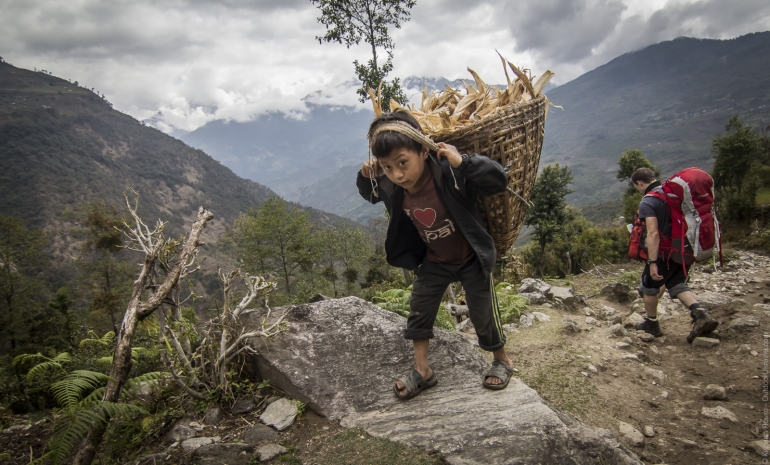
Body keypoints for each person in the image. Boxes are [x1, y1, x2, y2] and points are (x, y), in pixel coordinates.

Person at [357, 110, 514, 399]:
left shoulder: (448, 173)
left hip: (470, 257)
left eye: (402, 163)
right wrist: (367, 176)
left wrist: (463, 162)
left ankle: (501, 360)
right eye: (388, 167)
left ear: (422, 150)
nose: (397, 174)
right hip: (434, 261)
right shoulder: (393, 186)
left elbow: (498, 180)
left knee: (483, 314)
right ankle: (423, 371)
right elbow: (369, 194)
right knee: (419, 309)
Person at [631, 167, 719, 342]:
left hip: (664, 252)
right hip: (684, 248)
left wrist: (652, 261)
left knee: (649, 286)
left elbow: (653, 233)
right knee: (676, 283)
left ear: (640, 183)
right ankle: (700, 315)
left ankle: (652, 324)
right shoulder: (673, 194)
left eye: (637, 187)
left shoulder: (649, 201)